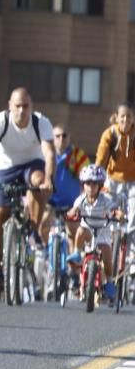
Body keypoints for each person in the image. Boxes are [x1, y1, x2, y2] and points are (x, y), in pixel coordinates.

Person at [0, 87, 54, 300]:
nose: (21, 110)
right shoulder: (0, 121)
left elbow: (49, 153)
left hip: (31, 165)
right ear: (10, 106)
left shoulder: (40, 122)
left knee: (38, 183)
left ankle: (34, 231)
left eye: (25, 106)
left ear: (31, 107)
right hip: (5, 169)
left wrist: (48, 179)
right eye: (17, 106)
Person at [66, 164, 119, 302]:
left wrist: (118, 214)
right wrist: (72, 213)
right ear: (83, 185)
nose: (90, 187)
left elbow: (114, 209)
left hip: (102, 232)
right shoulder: (81, 199)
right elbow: (74, 209)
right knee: (80, 231)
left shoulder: (105, 199)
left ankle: (109, 282)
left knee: (107, 257)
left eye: (94, 184)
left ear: (100, 185)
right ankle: (77, 253)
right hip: (89, 230)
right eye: (88, 183)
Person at [47, 125, 87, 249]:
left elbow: (87, 175)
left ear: (69, 137)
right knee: (42, 221)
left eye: (64, 135)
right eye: (57, 136)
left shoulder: (77, 154)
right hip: (51, 201)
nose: (61, 139)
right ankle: (41, 251)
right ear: (52, 138)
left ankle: (73, 265)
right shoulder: (47, 154)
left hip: (71, 203)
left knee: (73, 234)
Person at [95, 103, 135, 227]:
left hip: (132, 180)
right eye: (122, 116)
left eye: (129, 116)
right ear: (117, 118)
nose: (126, 120)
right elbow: (101, 158)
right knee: (108, 209)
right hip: (112, 178)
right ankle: (110, 236)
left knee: (133, 212)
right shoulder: (110, 134)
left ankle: (131, 243)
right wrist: (96, 176)